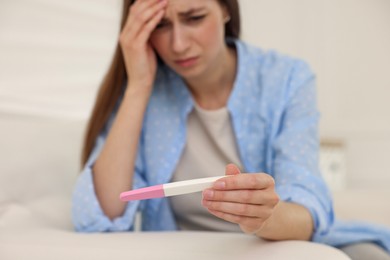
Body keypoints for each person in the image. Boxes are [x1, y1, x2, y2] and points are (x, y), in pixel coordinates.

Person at [72, 0, 390, 258]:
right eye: (160, 26)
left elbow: (309, 211)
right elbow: (104, 215)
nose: (178, 44)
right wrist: (138, 85)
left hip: (273, 246)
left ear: (225, 8)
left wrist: (266, 216)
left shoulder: (287, 78)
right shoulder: (143, 92)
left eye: (194, 17)